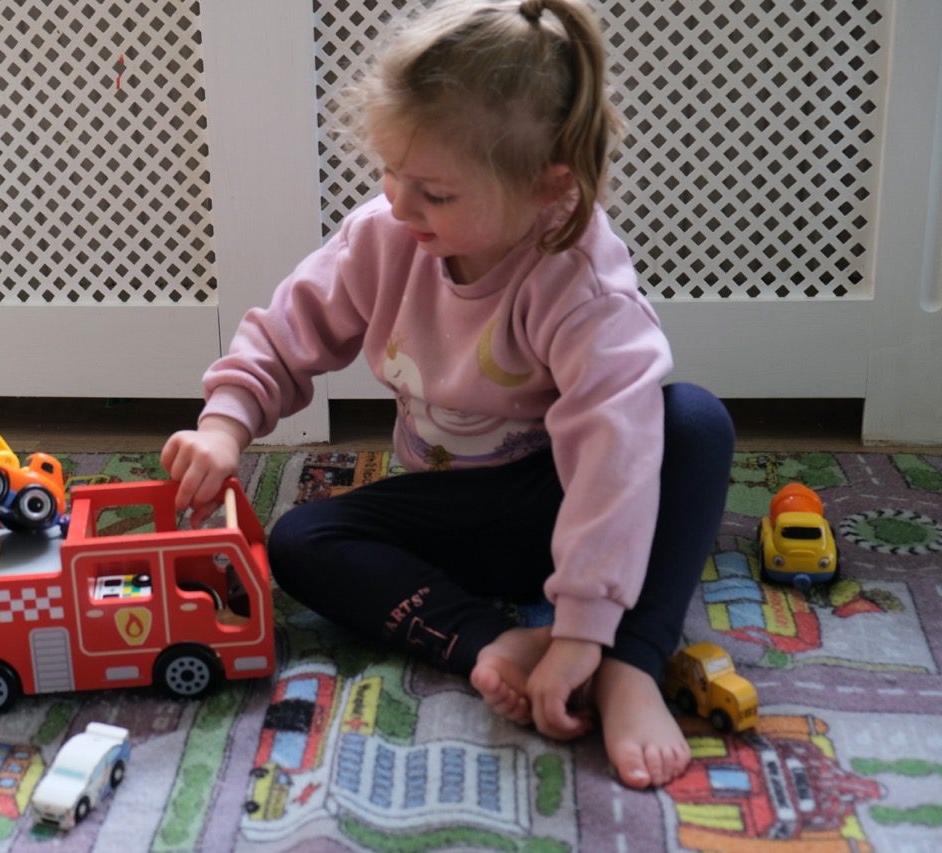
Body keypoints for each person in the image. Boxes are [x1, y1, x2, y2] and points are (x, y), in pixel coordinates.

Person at [161, 0, 733, 789]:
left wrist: (584, 633)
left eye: (433, 190)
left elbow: (613, 463)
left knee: (693, 422)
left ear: (546, 184)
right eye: (390, 171)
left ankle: (633, 658)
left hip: (572, 500)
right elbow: (288, 329)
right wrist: (226, 426)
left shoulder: (581, 282)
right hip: (454, 513)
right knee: (298, 541)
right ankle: (490, 643)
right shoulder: (385, 235)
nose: (398, 202)